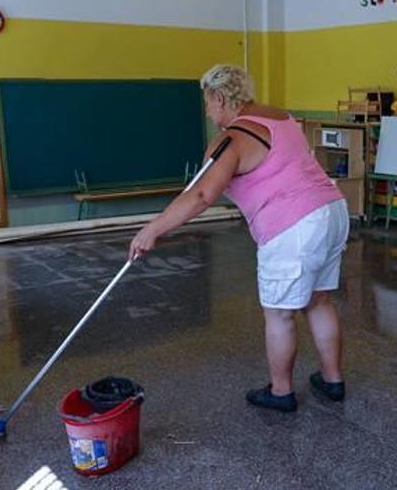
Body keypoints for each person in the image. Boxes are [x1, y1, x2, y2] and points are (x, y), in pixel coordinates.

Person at [128, 64, 350, 412]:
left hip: (294, 225)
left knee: (279, 314)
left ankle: (280, 392)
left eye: (207, 102)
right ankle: (333, 381)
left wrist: (153, 229)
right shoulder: (280, 116)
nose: (206, 110)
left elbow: (201, 195)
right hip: (331, 211)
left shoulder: (230, 140)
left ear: (219, 97)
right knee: (319, 300)